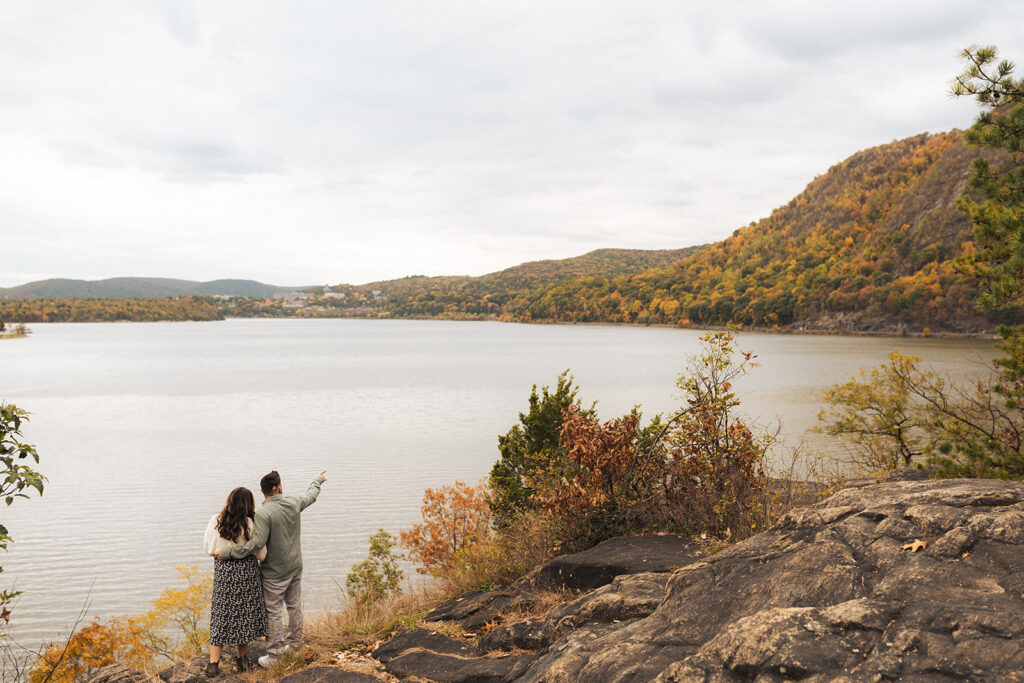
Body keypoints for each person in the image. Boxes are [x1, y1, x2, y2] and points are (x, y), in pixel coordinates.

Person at [217, 469, 326, 668]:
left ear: (262, 491)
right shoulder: (294, 503)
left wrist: (228, 553)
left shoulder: (263, 514)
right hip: (295, 567)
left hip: (274, 574)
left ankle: (275, 658)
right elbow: (311, 495)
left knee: (274, 612)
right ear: (280, 488)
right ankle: (294, 647)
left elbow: (256, 544)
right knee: (294, 608)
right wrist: (317, 480)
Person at [203, 487, 268, 677]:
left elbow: (208, 548)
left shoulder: (216, 519)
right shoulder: (250, 523)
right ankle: (241, 658)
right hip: (247, 575)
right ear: (249, 504)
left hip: (224, 575)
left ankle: (213, 663)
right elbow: (261, 553)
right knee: (245, 616)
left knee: (220, 615)